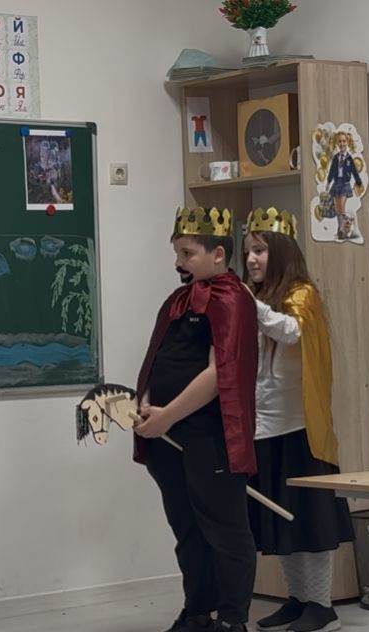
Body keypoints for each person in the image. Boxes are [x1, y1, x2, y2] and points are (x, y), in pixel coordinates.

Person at [133, 207, 259, 632]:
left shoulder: (233, 299)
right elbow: (158, 357)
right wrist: (146, 403)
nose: (178, 263)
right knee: (187, 529)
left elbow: (219, 373)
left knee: (225, 531)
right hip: (167, 438)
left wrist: (168, 416)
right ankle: (198, 610)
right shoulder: (178, 301)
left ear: (218, 253)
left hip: (209, 436)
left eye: (187, 254)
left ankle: (232, 618)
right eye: (177, 253)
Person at [242, 208, 354, 632]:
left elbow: (290, 332)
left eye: (259, 250)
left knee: (311, 521)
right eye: (247, 251)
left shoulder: (303, 295)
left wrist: (248, 304)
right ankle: (299, 599)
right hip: (264, 429)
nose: (251, 259)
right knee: (282, 520)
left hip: (301, 430)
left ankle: (322, 606)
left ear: (282, 252)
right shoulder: (260, 301)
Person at [325, 131, 363, 240]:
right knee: (337, 208)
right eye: (340, 142)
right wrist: (328, 182)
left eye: (344, 141)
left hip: (345, 184)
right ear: (337, 143)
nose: (342, 144)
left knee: (342, 206)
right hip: (337, 184)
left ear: (347, 142)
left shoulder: (349, 158)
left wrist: (358, 181)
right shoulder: (336, 158)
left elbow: (354, 171)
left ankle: (343, 229)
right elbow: (332, 171)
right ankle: (340, 228)